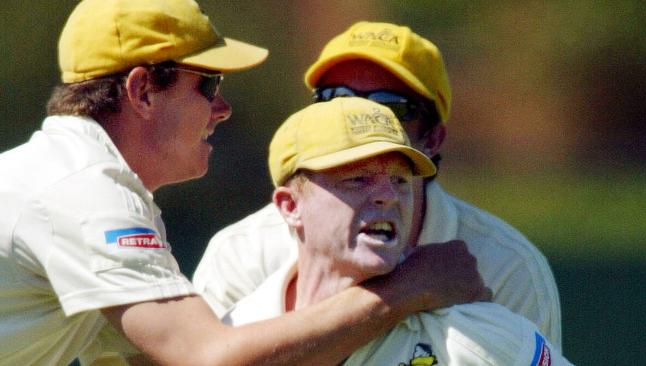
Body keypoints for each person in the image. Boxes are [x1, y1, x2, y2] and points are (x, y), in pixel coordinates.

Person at [0, 4, 489, 366]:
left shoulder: (78, 178)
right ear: (142, 91)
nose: (222, 108)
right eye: (208, 85)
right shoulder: (87, 193)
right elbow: (208, 358)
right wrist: (408, 289)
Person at [193, 21, 563, 349]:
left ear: (433, 139)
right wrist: (408, 289)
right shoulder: (241, 254)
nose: (359, 117)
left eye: (391, 105)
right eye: (333, 98)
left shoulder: (508, 267)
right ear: (289, 205)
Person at [220, 96, 572, 365]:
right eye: (358, 180)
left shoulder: (480, 333)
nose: (389, 197)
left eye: (400, 180)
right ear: (291, 207)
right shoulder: (233, 332)